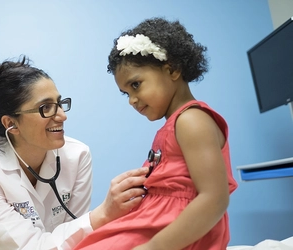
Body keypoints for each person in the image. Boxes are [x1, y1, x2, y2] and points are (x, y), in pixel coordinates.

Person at [73, 17, 238, 250]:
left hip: (178, 233)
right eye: (125, 93)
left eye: (136, 85)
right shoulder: (174, 124)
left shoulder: (192, 120)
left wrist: (154, 247)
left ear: (172, 70)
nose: (132, 100)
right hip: (156, 222)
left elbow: (215, 199)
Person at [0, 55, 149, 250]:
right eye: (46, 108)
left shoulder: (77, 156)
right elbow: (32, 247)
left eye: (59, 104)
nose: (62, 116)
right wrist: (104, 213)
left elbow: (78, 239)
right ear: (11, 124)